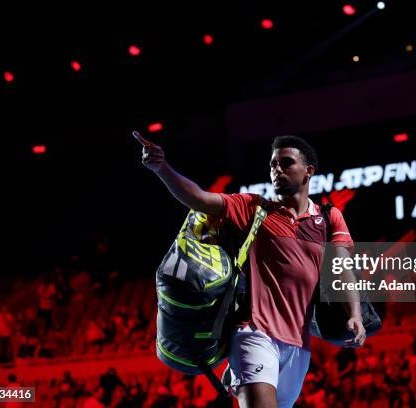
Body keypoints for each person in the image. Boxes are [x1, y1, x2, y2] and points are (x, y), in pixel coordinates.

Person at [135, 131, 366, 408]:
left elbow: (343, 269)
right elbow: (198, 198)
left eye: (286, 163)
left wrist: (354, 314)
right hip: (255, 334)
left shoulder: (329, 218)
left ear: (308, 172)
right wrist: (162, 168)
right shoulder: (253, 208)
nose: (276, 169)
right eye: (272, 164)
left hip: (299, 347)